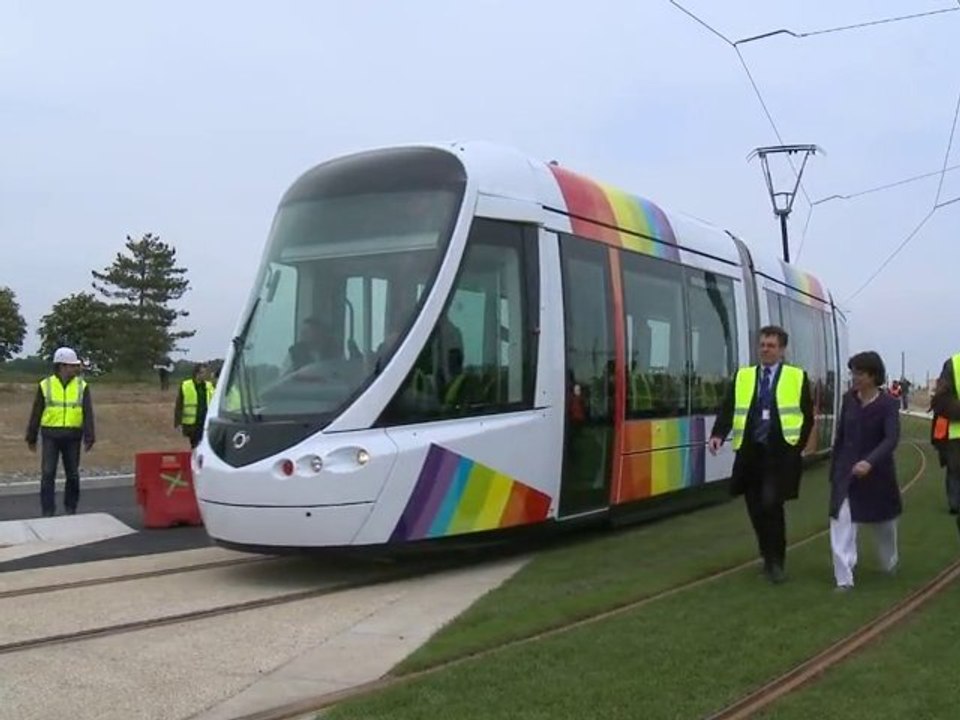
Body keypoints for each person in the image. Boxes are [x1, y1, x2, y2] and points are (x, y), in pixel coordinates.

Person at [708, 325, 814, 584]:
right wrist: (718, 435)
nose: (765, 349)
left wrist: (796, 448)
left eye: (771, 346)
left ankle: (776, 562)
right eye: (763, 345)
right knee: (755, 508)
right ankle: (767, 558)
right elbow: (729, 408)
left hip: (779, 454)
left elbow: (807, 417)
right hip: (750, 453)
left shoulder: (797, 377)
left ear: (782, 350)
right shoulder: (744, 376)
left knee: (771, 505)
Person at [828, 352, 902, 592]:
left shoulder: (888, 404)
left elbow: (891, 439)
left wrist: (870, 462)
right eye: (853, 372)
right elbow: (840, 436)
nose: (854, 378)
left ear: (872, 376)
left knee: (884, 525)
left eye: (859, 373)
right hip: (846, 474)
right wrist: (835, 470)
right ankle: (844, 577)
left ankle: (890, 562)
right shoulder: (848, 399)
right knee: (841, 520)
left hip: (877, 475)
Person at [24, 347, 96, 517]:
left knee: (72, 474)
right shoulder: (46, 385)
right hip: (51, 435)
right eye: (72, 366)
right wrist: (31, 437)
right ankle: (48, 510)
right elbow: (37, 411)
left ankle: (71, 508)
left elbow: (87, 412)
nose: (75, 369)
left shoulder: (82, 386)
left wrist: (89, 436)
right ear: (62, 366)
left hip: (73, 435)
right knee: (48, 473)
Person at [930, 352, 960, 517]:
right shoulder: (953, 364)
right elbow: (941, 401)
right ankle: (955, 504)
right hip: (955, 433)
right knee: (955, 469)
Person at [174, 363, 215, 449]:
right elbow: (179, 405)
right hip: (192, 424)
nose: (205, 375)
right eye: (203, 372)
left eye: (206, 372)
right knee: (195, 446)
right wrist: (177, 422)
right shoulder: (186, 385)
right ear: (197, 373)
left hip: (206, 421)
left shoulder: (209, 386)